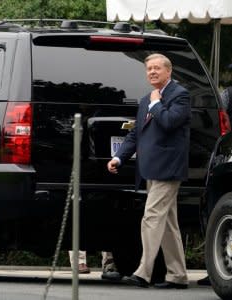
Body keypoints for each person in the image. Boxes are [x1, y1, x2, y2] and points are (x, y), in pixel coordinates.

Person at [107, 53, 191, 289]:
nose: (152, 72)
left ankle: (143, 272)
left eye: (157, 68)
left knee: (151, 218)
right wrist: (118, 158)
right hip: (149, 170)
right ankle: (178, 275)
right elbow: (136, 135)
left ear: (169, 71)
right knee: (167, 224)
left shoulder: (180, 95)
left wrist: (156, 103)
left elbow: (170, 122)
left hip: (168, 169)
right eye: (149, 69)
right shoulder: (146, 99)